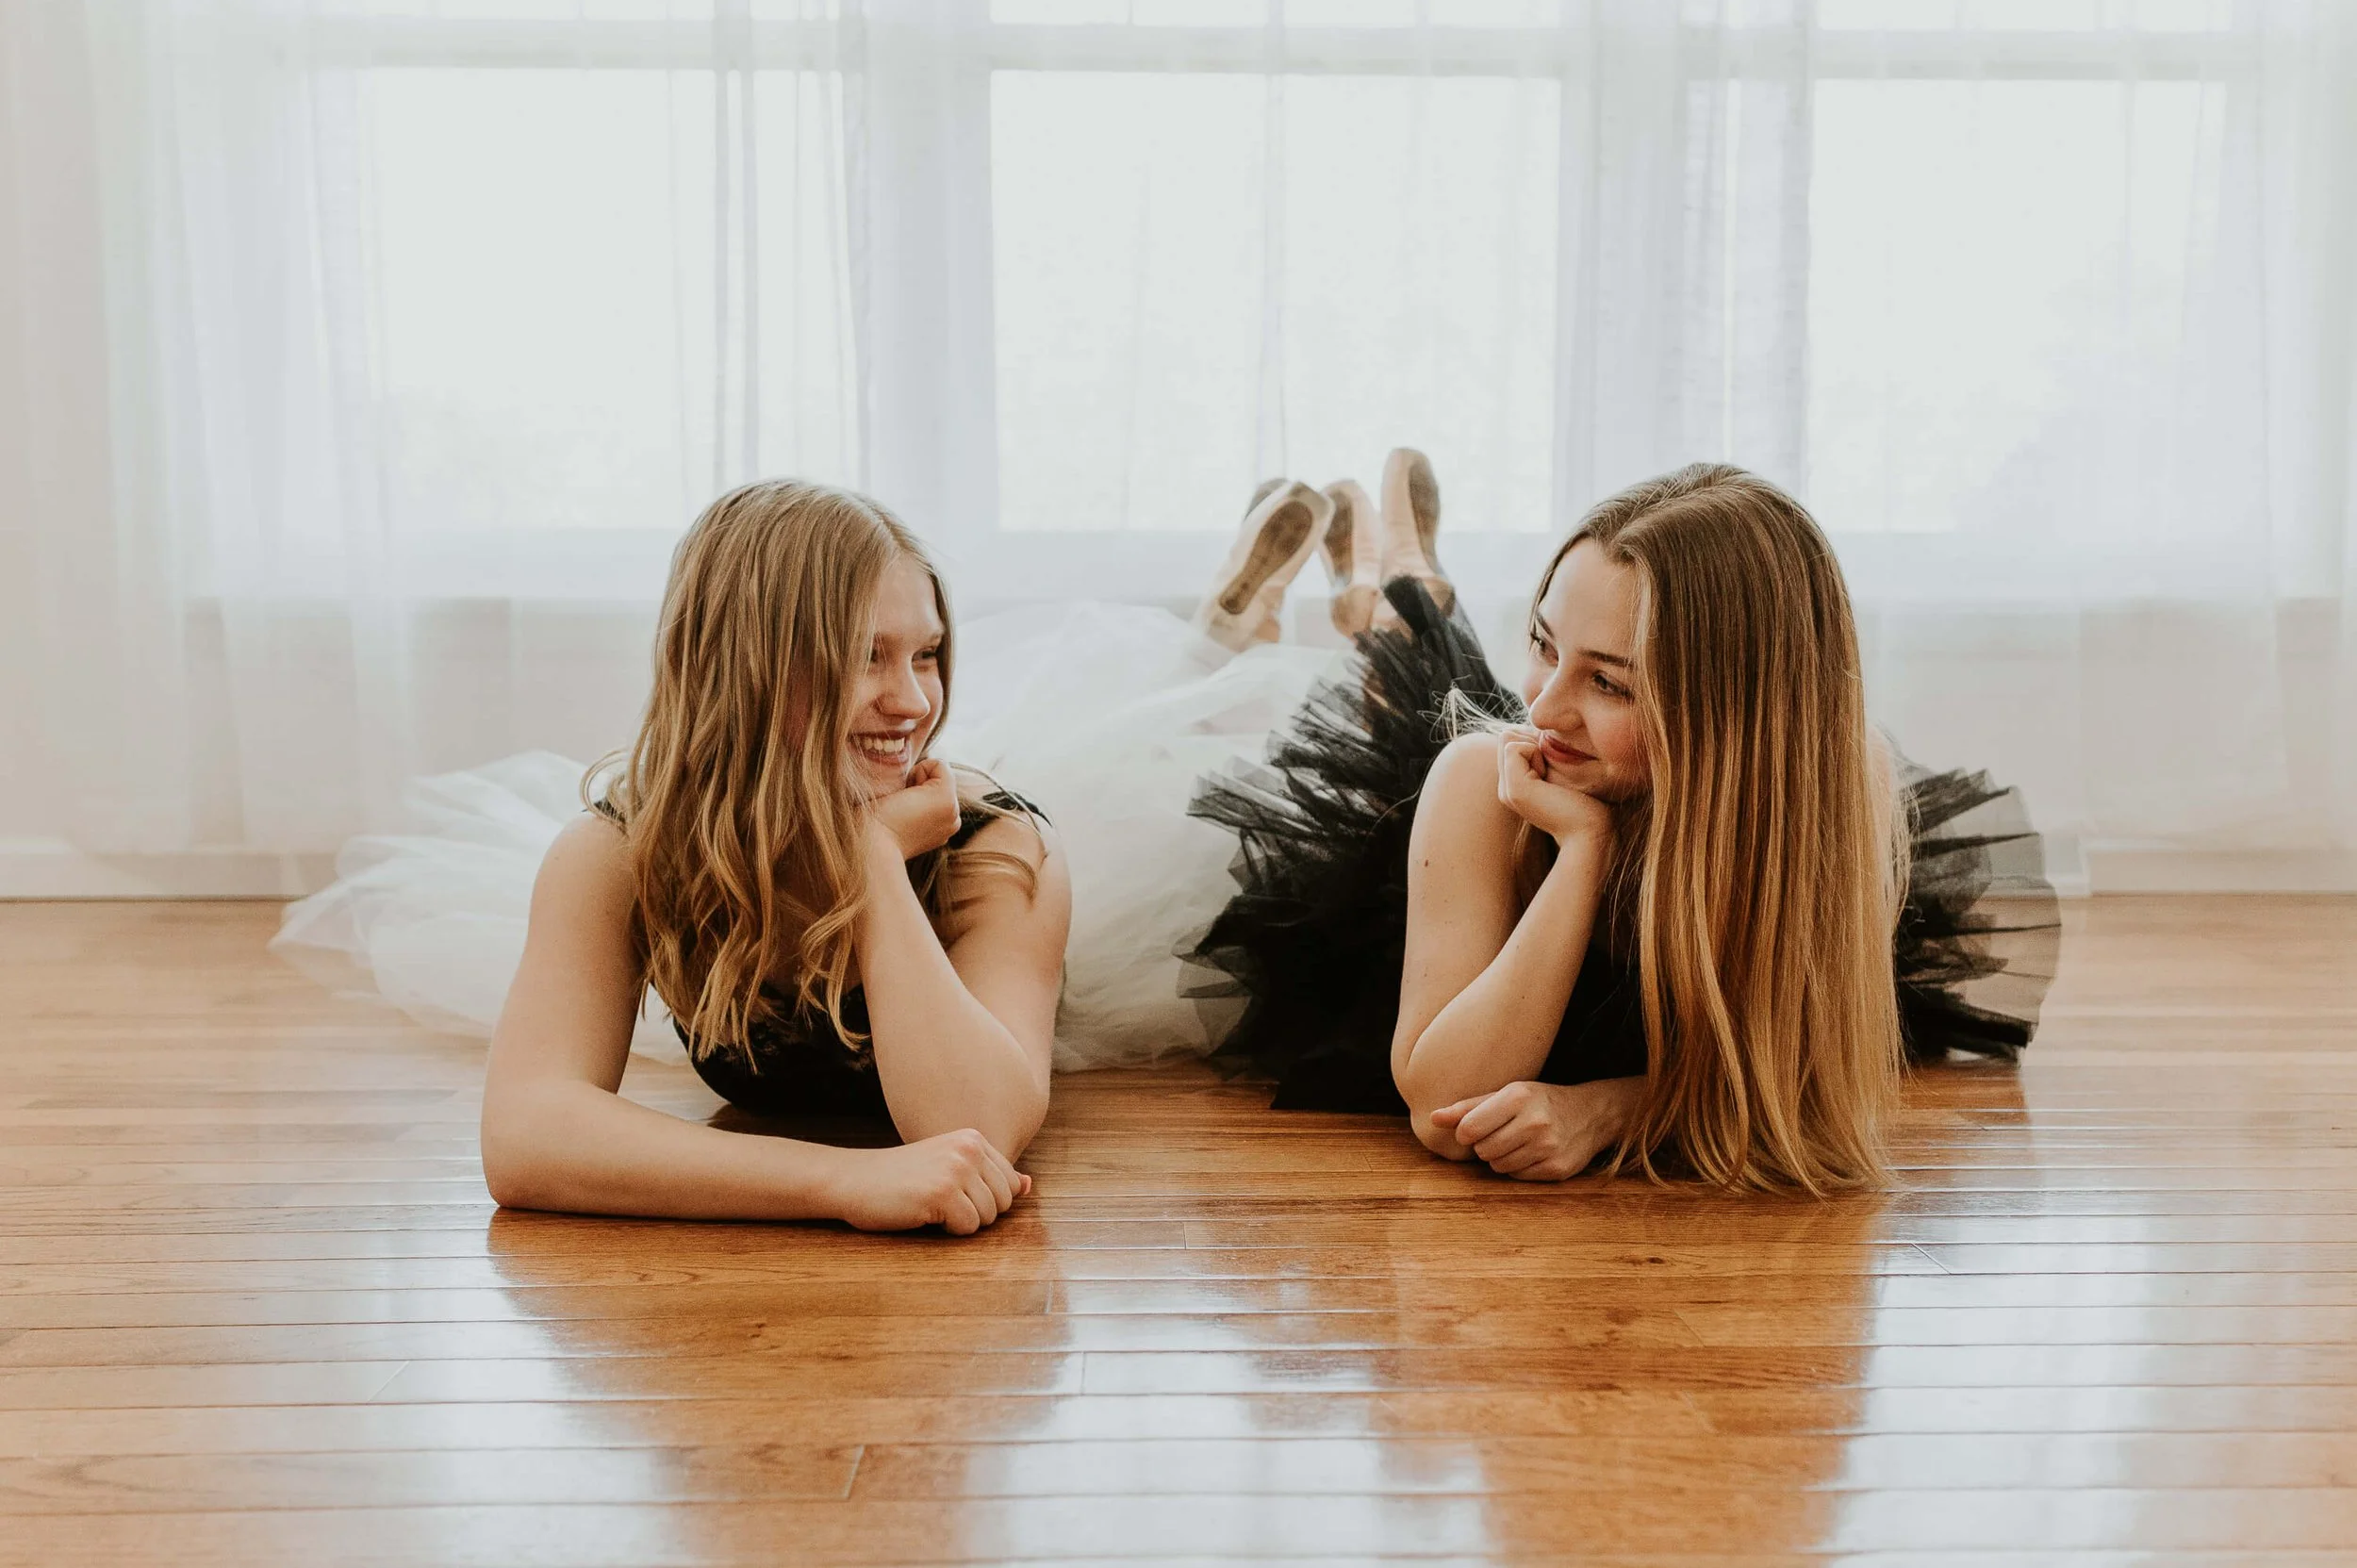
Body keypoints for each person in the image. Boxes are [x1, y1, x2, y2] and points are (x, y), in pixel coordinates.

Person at [1183, 458, 2058, 1194]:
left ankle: (1398, 585)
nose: (1544, 701)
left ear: (1733, 716)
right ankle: (1355, 601)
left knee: (1420, 691)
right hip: (1405, 903)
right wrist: (1582, 851)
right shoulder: (1482, 782)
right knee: (1392, 719)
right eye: (1542, 640)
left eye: (1611, 682)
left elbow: (1804, 1089)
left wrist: (1604, 1107)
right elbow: (1442, 1104)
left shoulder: (1824, 803)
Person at [283, 480, 1069, 1233]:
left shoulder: (995, 849)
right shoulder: (622, 850)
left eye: (925, 654)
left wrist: (873, 857)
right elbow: (524, 1136)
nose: (914, 701)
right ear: (748, 665)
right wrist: (844, 1180)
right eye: (867, 655)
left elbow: (978, 1128)